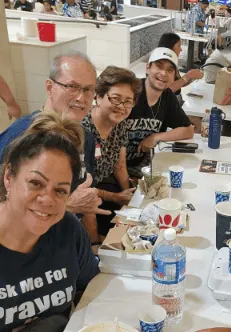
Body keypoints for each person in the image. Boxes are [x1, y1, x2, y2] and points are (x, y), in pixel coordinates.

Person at [0, 111, 100, 332]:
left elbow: (90, 290)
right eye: (35, 183)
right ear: (9, 176)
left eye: (60, 190)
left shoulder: (67, 230)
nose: (47, 200)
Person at [0, 53, 108, 217]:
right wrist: (66, 204)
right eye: (72, 87)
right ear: (50, 87)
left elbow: (84, 192)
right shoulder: (20, 136)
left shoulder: (86, 139)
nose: (81, 98)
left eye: (88, 89)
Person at [81, 66, 141, 242]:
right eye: (115, 99)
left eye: (128, 101)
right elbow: (82, 188)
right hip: (83, 199)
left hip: (105, 191)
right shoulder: (82, 131)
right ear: (98, 97)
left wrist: (129, 199)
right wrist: (115, 197)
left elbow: (120, 166)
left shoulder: (120, 124)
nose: (121, 107)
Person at [122, 48, 194, 179]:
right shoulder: (131, 91)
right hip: (115, 167)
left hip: (142, 164)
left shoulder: (167, 97)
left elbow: (188, 131)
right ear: (148, 68)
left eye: (169, 70)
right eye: (159, 66)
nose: (163, 73)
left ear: (174, 76)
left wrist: (156, 137)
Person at [158, 32, 204, 103]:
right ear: (170, 46)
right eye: (179, 46)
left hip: (176, 100)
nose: (181, 49)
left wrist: (193, 77)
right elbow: (167, 90)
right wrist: (188, 75)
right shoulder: (160, 64)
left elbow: (180, 83)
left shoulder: (172, 62)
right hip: (166, 105)